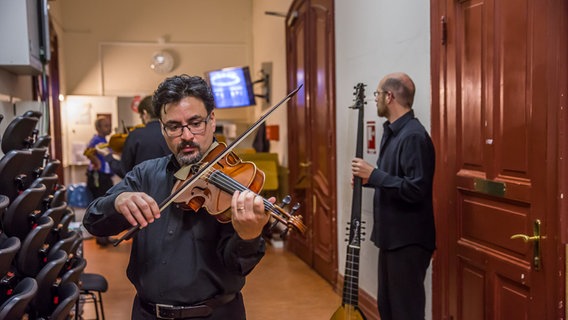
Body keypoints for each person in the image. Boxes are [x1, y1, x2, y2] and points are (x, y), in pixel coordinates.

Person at [83, 74, 272, 320]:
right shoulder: (145, 174)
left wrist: (248, 236)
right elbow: (93, 221)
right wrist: (117, 202)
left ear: (212, 120)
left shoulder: (235, 183)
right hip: (147, 313)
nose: (186, 136)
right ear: (163, 128)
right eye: (174, 126)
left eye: (195, 123)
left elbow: (238, 266)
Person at [351, 72, 436, 320]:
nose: (375, 99)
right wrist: (368, 180)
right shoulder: (394, 132)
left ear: (389, 97)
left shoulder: (413, 136)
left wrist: (375, 175)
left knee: (405, 313)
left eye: (377, 94)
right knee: (388, 310)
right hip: (392, 239)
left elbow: (417, 189)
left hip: (408, 242)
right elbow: (395, 180)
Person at [96, 95, 170, 178]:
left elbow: (124, 172)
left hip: (143, 189)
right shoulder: (170, 131)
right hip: (171, 189)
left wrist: (107, 155)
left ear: (145, 113)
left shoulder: (136, 135)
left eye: (141, 116)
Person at [84, 116, 116, 246]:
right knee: (101, 206)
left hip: (104, 177)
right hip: (99, 177)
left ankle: (105, 236)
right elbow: (87, 152)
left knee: (106, 206)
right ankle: (101, 237)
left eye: (109, 125)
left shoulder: (103, 140)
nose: (108, 128)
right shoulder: (97, 140)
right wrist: (96, 161)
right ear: (98, 128)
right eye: (105, 126)